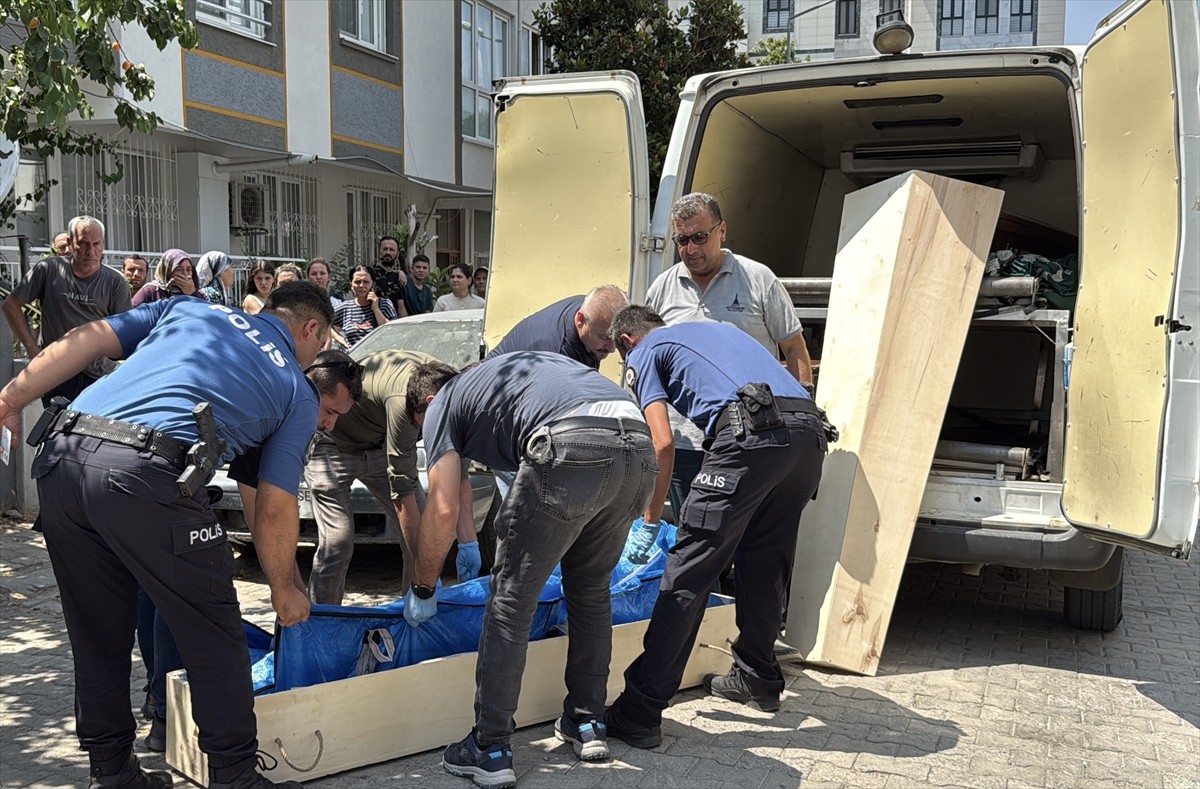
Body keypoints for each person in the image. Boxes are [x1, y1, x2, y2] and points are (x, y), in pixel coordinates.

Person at [0, 281, 343, 789]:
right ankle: (235, 777)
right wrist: (284, 589)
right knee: (213, 632)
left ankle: (113, 773)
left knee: (97, 632)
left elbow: (89, 338)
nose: (315, 355)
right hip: (145, 472)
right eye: (320, 344)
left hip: (61, 457)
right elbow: (275, 504)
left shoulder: (188, 309)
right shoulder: (295, 388)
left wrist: (11, 398)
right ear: (309, 328)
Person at [400, 353, 657, 789]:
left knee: (511, 601)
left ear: (426, 401)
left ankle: (490, 746)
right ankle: (588, 721)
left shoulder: (443, 403)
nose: (429, 437)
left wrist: (424, 586)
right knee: (592, 590)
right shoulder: (501, 381)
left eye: (422, 429)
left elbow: (441, 508)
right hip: (637, 446)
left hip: (574, 442)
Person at [600, 306, 827, 749]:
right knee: (764, 562)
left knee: (689, 571)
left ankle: (639, 711)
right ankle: (758, 677)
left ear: (627, 342)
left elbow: (661, 442)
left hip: (750, 439)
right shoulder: (717, 330)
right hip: (809, 436)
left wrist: (649, 519)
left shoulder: (645, 352)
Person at [143, 349, 363, 753]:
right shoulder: (283, 412)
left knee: (153, 587)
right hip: (156, 463)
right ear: (312, 389)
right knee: (180, 587)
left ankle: (160, 702)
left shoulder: (275, 391)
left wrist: (291, 588)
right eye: (329, 412)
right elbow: (265, 515)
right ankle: (164, 714)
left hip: (143, 450)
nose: (329, 426)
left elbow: (263, 505)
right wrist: (288, 590)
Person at [647, 192, 815, 521]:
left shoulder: (758, 280)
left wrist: (805, 408)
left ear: (722, 231)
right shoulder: (662, 289)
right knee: (696, 534)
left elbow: (793, 347)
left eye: (700, 237)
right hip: (687, 442)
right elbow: (648, 360)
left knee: (751, 532)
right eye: (682, 240)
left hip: (752, 437)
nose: (691, 250)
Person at [304, 350, 478, 605]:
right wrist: (426, 581)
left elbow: (460, 480)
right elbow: (403, 490)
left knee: (425, 537)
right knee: (337, 543)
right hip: (332, 445)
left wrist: (469, 544)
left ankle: (412, 622)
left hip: (378, 444)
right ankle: (322, 625)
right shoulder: (407, 400)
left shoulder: (454, 403)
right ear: (430, 404)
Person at [2, 215, 131, 405]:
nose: (91, 251)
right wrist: (31, 347)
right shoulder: (49, 269)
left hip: (97, 376)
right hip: (56, 372)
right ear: (70, 243)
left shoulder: (115, 282)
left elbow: (124, 331)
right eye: (84, 243)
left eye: (97, 244)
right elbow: (11, 305)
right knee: (56, 431)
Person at [486, 285, 627, 370]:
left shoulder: (587, 306)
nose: (612, 348)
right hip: (491, 388)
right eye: (604, 337)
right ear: (581, 320)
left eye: (616, 339)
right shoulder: (558, 356)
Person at [332, 266, 399, 348]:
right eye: (357, 282)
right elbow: (322, 322)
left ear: (373, 284)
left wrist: (376, 309)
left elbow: (393, 332)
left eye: (366, 282)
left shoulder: (385, 304)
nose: (361, 285)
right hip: (353, 357)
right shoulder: (346, 307)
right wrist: (338, 338)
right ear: (351, 285)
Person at [132, 249, 205, 306]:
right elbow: (131, 314)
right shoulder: (151, 291)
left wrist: (193, 294)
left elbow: (208, 314)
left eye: (188, 270)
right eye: (179, 269)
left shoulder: (197, 293)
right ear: (167, 271)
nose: (185, 274)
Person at [369, 235, 408, 307]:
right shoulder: (369, 274)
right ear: (380, 250)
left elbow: (401, 307)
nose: (388, 252)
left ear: (397, 253)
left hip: (396, 318)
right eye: (385, 249)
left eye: (392, 250)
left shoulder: (398, 278)